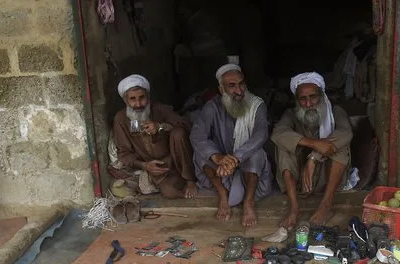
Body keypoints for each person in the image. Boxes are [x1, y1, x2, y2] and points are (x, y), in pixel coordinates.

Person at [190, 64, 273, 227]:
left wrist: (236, 158)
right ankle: (222, 194)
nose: (239, 90)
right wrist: (218, 157)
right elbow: (197, 135)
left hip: (247, 171)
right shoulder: (212, 107)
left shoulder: (257, 105)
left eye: (241, 84)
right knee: (201, 153)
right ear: (221, 89)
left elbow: (261, 134)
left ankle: (249, 202)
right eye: (232, 86)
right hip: (221, 172)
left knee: (257, 154)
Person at [272, 72, 353, 228]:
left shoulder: (336, 111)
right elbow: (278, 133)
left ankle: (325, 206)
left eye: (313, 97)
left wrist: (314, 157)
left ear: (321, 96)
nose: (308, 103)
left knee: (340, 147)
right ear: (297, 100)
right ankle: (294, 209)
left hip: (326, 176)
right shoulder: (291, 114)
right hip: (301, 179)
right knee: (283, 146)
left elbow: (346, 133)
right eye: (303, 99)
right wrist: (313, 143)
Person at [112, 74, 197, 198]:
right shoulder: (120, 119)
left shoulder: (158, 109)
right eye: (133, 99)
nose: (138, 104)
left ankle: (190, 179)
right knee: (170, 193)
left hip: (175, 159)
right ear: (126, 101)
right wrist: (145, 166)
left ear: (148, 97)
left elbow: (184, 124)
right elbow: (124, 153)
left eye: (142, 98)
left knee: (178, 133)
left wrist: (160, 127)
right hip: (154, 167)